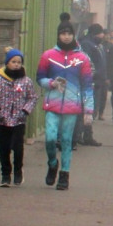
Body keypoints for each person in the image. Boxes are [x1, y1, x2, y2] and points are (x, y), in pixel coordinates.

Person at [36, 13, 93, 190]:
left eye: (69, 33)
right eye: (63, 33)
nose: (66, 36)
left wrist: (88, 110)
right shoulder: (48, 55)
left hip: (72, 106)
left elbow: (87, 85)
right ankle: (53, 163)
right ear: (58, 35)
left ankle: (64, 174)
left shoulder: (82, 58)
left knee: (67, 140)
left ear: (74, 35)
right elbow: (40, 78)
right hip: (52, 104)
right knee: (50, 139)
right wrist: (51, 83)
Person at [0, 48, 38, 187]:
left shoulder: (26, 81)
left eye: (19, 62)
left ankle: (18, 171)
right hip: (3, 120)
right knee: (4, 148)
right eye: (13, 61)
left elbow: (32, 97)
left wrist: (25, 111)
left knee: (17, 147)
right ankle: (5, 175)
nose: (16, 64)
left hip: (19, 120)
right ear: (7, 62)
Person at [76, 23, 107, 145]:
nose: (103, 35)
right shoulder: (87, 44)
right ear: (95, 33)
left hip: (98, 82)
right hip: (90, 82)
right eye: (101, 33)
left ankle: (87, 136)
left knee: (90, 111)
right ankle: (79, 135)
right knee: (85, 110)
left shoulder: (98, 45)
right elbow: (87, 63)